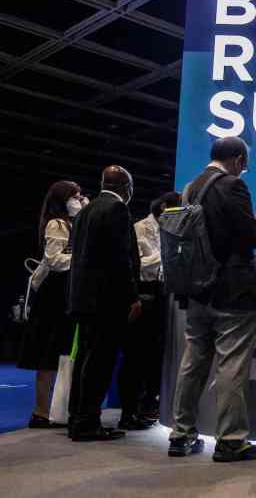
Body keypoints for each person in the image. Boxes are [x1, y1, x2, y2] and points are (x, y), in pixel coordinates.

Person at [168, 136, 256, 462]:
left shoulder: (189, 188)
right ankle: (230, 440)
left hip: (197, 289)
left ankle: (181, 435)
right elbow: (249, 238)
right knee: (231, 366)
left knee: (193, 362)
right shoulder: (233, 186)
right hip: (233, 290)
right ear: (238, 160)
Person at [68, 166, 141, 442]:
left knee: (85, 360)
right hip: (106, 301)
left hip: (82, 298)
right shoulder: (117, 210)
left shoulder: (85, 211)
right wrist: (132, 296)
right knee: (99, 362)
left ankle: (78, 418)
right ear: (126, 186)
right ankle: (88, 424)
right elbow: (121, 260)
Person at [18, 181, 86, 428]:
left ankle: (58, 409)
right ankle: (40, 411)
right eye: (75, 196)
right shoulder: (56, 224)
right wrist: (82, 257)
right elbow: (55, 260)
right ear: (62, 199)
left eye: (80, 196)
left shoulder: (75, 223)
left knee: (64, 354)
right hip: (53, 296)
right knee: (47, 355)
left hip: (67, 293)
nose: (79, 200)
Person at [125, 191, 181, 424]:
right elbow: (137, 264)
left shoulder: (170, 230)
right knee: (136, 355)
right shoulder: (140, 228)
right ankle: (129, 411)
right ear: (165, 207)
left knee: (156, 355)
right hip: (143, 292)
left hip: (162, 293)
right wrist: (166, 254)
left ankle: (149, 406)